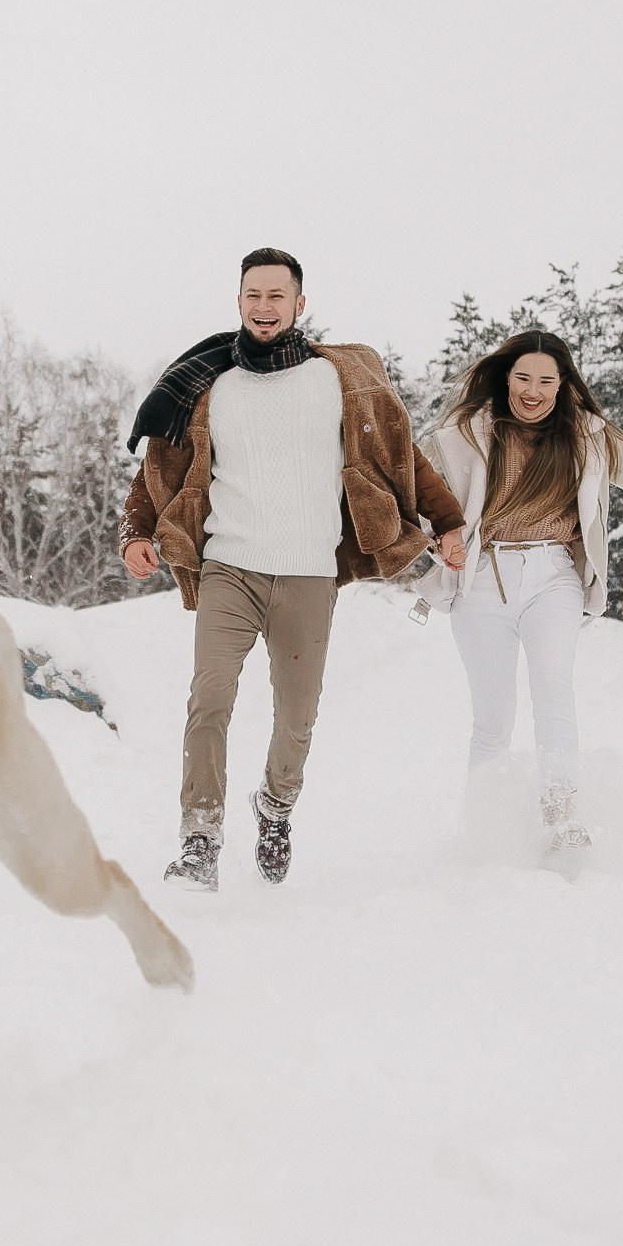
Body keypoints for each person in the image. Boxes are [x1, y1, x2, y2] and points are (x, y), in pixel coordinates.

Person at [120, 247, 468, 891]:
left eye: (277, 296)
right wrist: (137, 530)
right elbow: (160, 465)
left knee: (297, 716)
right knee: (209, 700)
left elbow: (403, 457)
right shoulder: (207, 382)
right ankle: (200, 839)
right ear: (239, 302)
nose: (264, 306)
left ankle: (275, 806)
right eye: (253, 295)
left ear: (300, 304)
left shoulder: (341, 378)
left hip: (310, 573)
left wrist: (446, 522)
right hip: (230, 565)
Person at [416, 330, 623, 872]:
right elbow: (420, 495)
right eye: (523, 378)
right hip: (482, 580)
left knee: (554, 690)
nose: (532, 390)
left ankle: (561, 817)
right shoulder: (463, 433)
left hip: (553, 574)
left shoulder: (587, 435)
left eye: (546, 380)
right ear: (505, 378)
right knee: (493, 718)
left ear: (563, 384)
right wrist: (438, 539)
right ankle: (482, 829)